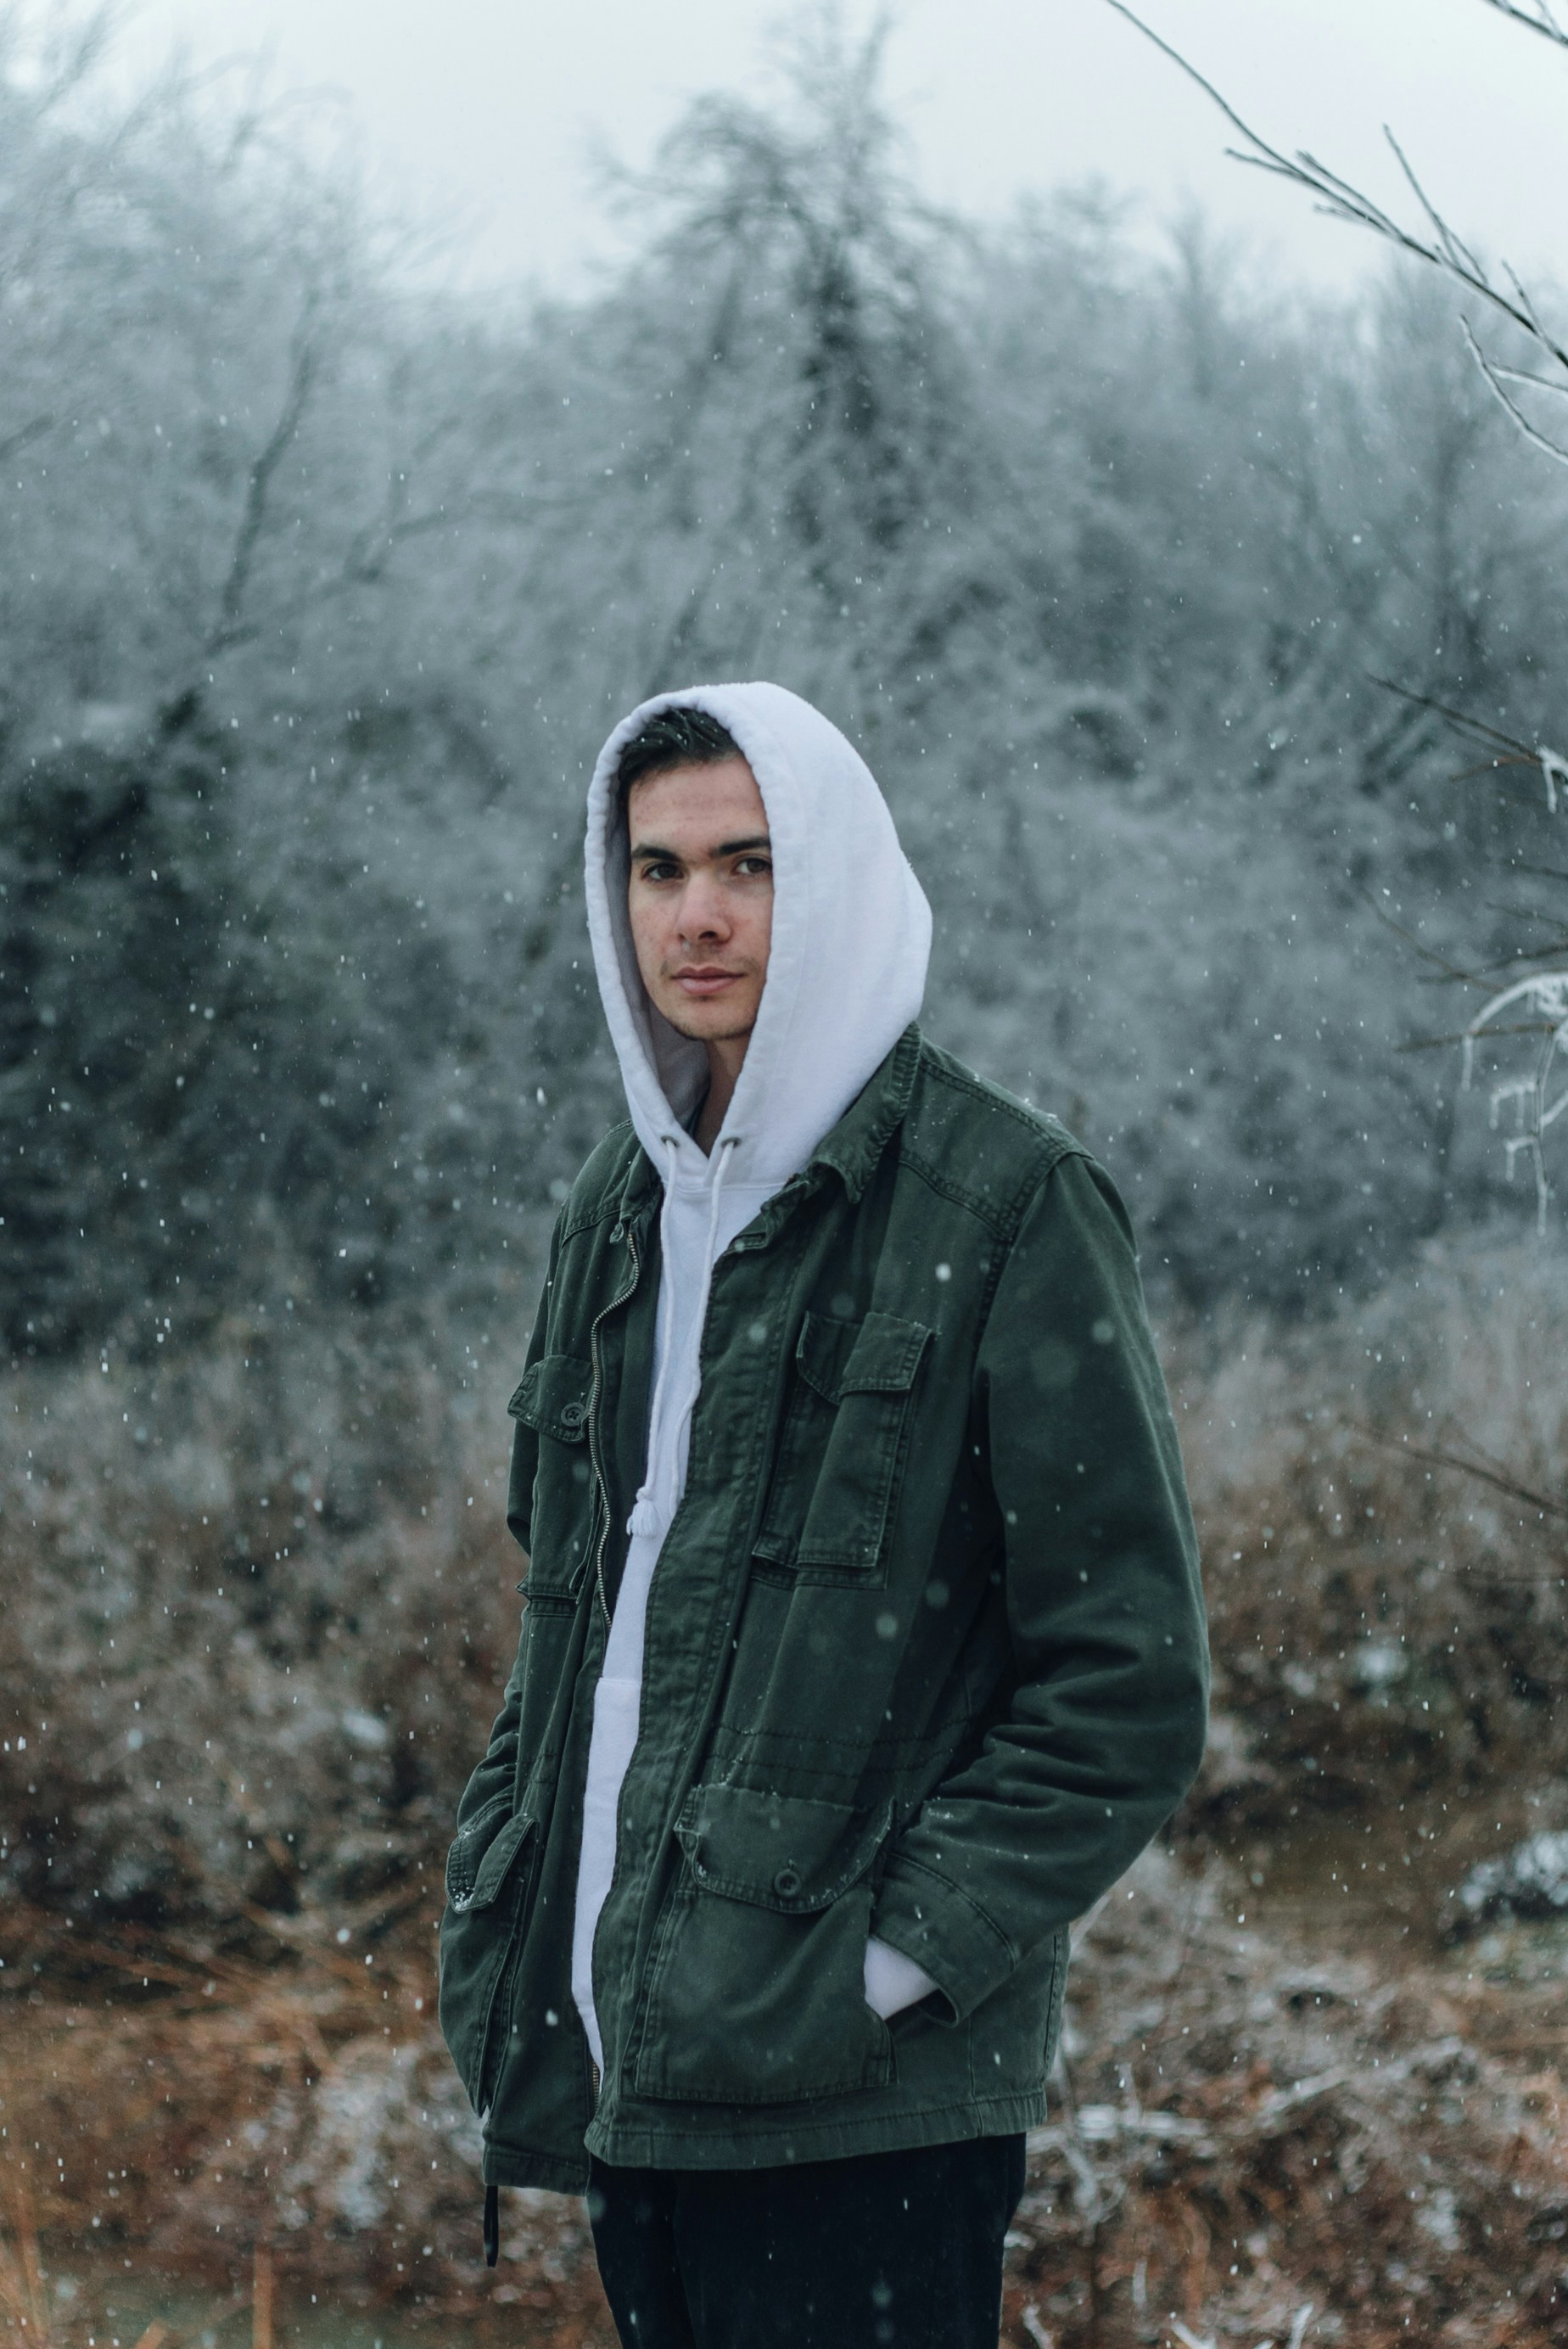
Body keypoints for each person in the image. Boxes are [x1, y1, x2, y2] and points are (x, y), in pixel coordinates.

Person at [439, 682, 1208, 2349]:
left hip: (864, 2109)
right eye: (656, 869)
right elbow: (568, 1614)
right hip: (626, 2062)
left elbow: (1126, 1683)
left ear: (837, 876)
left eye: (748, 863)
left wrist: (885, 1969)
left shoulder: (1004, 1204)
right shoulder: (619, 1209)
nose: (697, 912)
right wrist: (509, 1890)